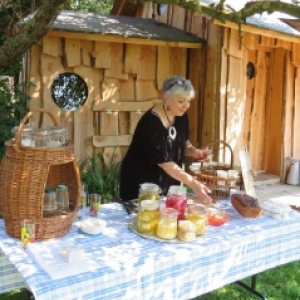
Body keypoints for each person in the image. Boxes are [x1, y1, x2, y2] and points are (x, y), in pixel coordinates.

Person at [120, 75, 212, 203]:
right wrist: (193, 184)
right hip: (141, 184)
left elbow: (184, 144)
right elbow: (165, 163)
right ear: (167, 98)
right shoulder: (150, 123)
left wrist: (194, 152)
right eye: (181, 101)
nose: (186, 106)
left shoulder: (181, 115)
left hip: (165, 183)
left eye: (188, 101)